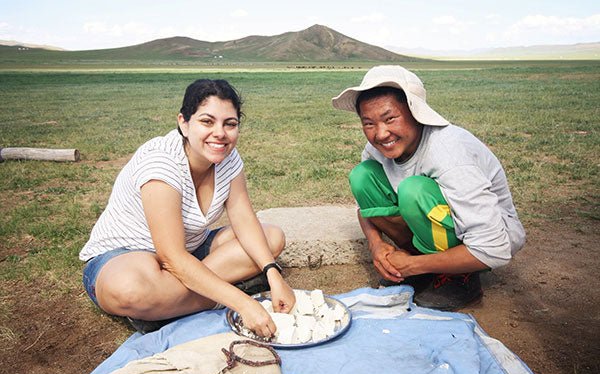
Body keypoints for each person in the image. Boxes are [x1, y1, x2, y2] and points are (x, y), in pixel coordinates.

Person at [80, 78, 295, 335]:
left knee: (271, 237)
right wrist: (242, 303)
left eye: (230, 124)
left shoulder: (228, 158)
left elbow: (244, 220)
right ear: (184, 122)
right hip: (126, 256)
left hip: (191, 250)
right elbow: (171, 257)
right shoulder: (161, 161)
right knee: (129, 289)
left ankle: (165, 307)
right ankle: (212, 294)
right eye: (207, 121)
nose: (220, 133)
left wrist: (273, 274)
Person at [332, 65, 526, 311]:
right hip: (439, 235)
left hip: (489, 239)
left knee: (414, 191)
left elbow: (494, 248)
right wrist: (376, 245)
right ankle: (425, 267)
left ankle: (460, 279)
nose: (380, 134)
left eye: (390, 118)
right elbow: (365, 209)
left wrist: (413, 265)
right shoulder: (376, 150)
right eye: (368, 123)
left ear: (415, 113)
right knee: (363, 176)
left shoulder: (447, 151)